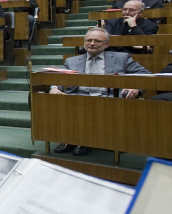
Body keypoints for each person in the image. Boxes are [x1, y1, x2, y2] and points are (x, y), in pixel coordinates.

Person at [50, 27, 150, 156]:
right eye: (89, 40)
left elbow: (146, 75)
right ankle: (70, 139)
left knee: (94, 107)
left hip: (107, 98)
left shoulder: (122, 58)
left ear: (106, 44)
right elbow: (58, 77)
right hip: (78, 97)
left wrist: (135, 87)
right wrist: (54, 87)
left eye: (97, 41)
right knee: (59, 100)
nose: (92, 43)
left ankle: (84, 142)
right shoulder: (72, 61)